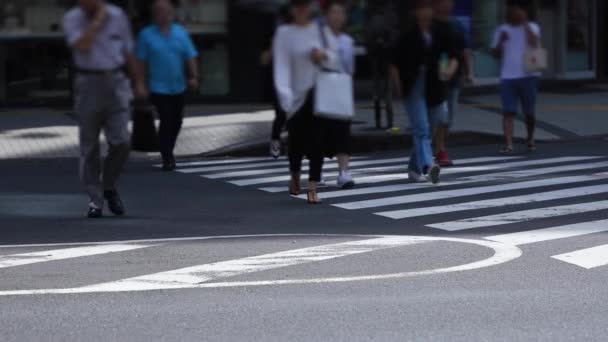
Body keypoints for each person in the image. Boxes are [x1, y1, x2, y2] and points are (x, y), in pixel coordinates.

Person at [63, 0, 146, 218]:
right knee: (89, 148)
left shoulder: (117, 15)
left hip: (116, 82)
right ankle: (95, 200)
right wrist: (97, 23)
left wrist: (138, 83)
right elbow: (81, 46)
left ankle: (108, 185)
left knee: (122, 142)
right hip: (88, 83)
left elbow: (128, 51)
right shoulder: (73, 18)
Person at [273, 0, 340, 204]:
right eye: (298, 7)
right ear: (292, 10)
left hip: (318, 93)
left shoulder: (320, 31)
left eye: (304, 7)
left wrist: (323, 56)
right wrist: (285, 95)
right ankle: (295, 175)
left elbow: (335, 59)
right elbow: (281, 66)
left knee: (317, 141)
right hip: (295, 96)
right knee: (296, 140)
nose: (301, 11)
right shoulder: (285, 34)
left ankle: (312, 187)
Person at [389, 0, 458, 184]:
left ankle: (414, 167)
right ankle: (428, 165)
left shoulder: (440, 32)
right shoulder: (408, 35)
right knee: (422, 129)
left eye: (428, 8)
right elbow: (394, 64)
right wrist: (398, 87)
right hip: (413, 86)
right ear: (415, 12)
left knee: (431, 128)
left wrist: (449, 70)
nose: (426, 12)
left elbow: (453, 56)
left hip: (435, 86)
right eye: (421, 9)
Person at [136, 0, 199, 171]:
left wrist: (193, 76)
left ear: (171, 13)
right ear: (154, 14)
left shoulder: (180, 33)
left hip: (178, 85)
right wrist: (140, 84)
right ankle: (167, 156)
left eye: (165, 11)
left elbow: (190, 56)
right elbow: (140, 62)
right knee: (166, 119)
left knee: (177, 121)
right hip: (158, 86)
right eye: (158, 11)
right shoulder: (146, 35)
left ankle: (168, 148)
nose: (162, 14)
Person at [491, 0, 541, 155]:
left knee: (529, 112)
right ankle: (508, 144)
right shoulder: (502, 30)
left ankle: (530, 138)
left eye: (518, 11)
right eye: (512, 11)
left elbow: (535, 44)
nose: (515, 14)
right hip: (508, 77)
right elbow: (495, 53)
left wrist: (525, 24)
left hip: (528, 76)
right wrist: (501, 41)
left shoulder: (532, 28)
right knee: (508, 112)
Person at [431, 0, 473, 167]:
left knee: (448, 117)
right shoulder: (429, 25)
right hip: (432, 78)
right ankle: (438, 149)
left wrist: (469, 72)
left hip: (452, 77)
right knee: (436, 115)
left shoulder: (456, 25)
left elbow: (465, 50)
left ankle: (438, 146)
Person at [324, 0, 355, 188]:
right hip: (323, 89)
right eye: (333, 13)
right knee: (320, 132)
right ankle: (316, 170)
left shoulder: (347, 41)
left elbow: (349, 69)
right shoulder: (319, 40)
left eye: (340, 13)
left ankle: (344, 172)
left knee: (343, 132)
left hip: (342, 89)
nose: (337, 17)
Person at [365, 0, 399, 129]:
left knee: (378, 93)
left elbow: (368, 40)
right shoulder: (390, 18)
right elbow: (393, 39)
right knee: (387, 93)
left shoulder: (373, 19)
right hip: (385, 60)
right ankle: (389, 122)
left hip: (376, 61)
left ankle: (378, 121)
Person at [265, 6, 291, 159]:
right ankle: (275, 141)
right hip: (278, 80)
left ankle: (291, 143)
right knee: (281, 113)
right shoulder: (273, 36)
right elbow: (264, 59)